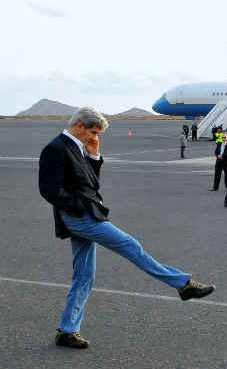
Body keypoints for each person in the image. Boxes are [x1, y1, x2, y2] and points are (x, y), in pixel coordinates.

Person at [38, 107, 215, 349]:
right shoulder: (56, 148)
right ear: (79, 126)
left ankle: (67, 331)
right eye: (93, 132)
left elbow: (90, 184)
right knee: (130, 245)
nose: (94, 137)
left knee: (84, 276)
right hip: (81, 217)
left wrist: (94, 156)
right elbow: (49, 190)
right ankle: (183, 284)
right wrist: (77, 208)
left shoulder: (78, 146)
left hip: (87, 214)